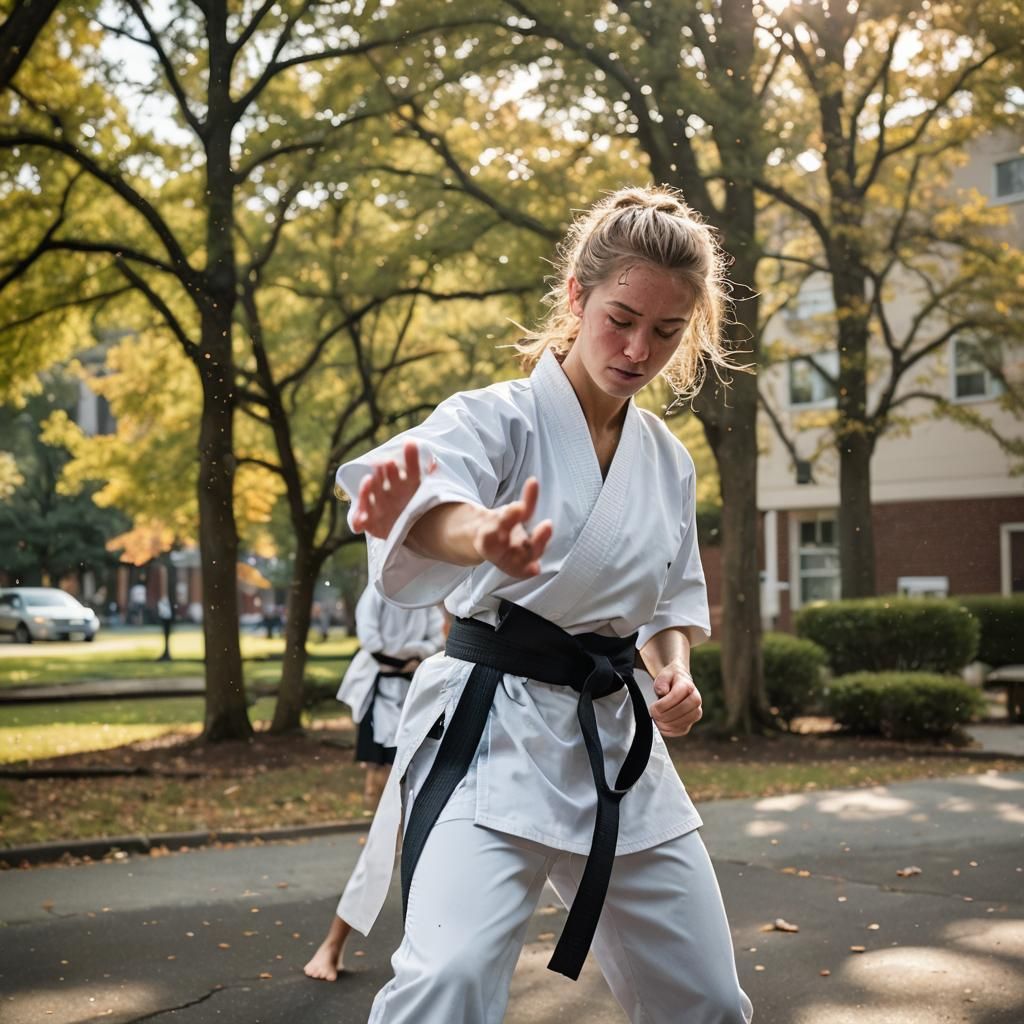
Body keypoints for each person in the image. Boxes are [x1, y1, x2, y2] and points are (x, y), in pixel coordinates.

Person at [333, 186, 752, 1023]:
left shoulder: (667, 461)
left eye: (667, 332)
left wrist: (673, 673)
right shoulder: (500, 418)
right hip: (494, 733)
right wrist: (480, 535)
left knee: (705, 996)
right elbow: (438, 495)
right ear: (577, 297)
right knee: (445, 984)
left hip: (615, 739)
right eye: (621, 317)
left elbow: (669, 600)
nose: (638, 348)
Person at [304, 585, 445, 982]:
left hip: (444, 703)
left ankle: (434, 954)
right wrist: (409, 655)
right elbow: (376, 641)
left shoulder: (437, 600)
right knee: (387, 831)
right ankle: (331, 945)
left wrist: (415, 653)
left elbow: (435, 637)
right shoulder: (381, 593)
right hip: (410, 699)